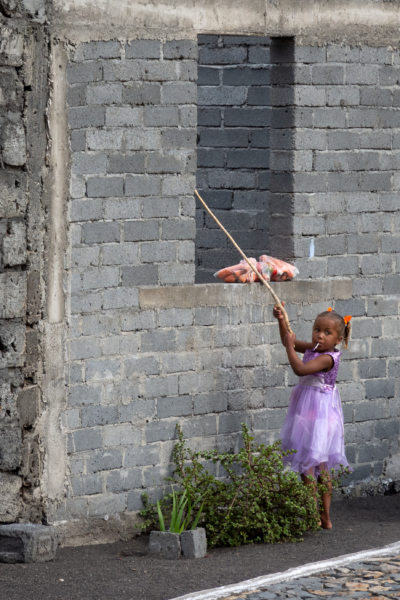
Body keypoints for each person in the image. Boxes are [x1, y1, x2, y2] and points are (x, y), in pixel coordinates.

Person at [272, 303, 352, 530]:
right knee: (312, 466)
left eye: (327, 333)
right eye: (317, 329)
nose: (320, 335)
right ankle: (318, 516)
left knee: (313, 466)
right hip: (308, 415)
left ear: (338, 339)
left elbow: (299, 368)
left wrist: (289, 348)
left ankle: (320, 516)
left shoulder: (328, 358)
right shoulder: (315, 348)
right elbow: (290, 340)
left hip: (320, 419)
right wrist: (281, 320)